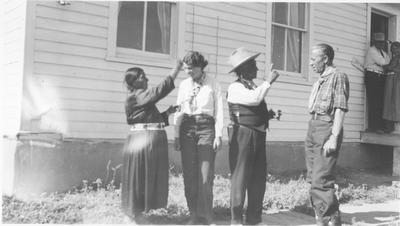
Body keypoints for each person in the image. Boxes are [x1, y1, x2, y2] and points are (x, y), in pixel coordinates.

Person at [121, 61, 182, 223]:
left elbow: (148, 119)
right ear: (133, 83)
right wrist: (175, 70)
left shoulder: (141, 99)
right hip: (143, 140)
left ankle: (138, 212)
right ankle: (131, 215)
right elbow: (158, 92)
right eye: (142, 76)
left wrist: (167, 113)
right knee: (139, 176)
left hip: (148, 139)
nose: (146, 79)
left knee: (144, 175)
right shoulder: (136, 96)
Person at [226, 47, 280, 225]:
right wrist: (269, 81)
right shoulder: (235, 87)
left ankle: (254, 219)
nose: (257, 69)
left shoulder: (252, 86)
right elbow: (254, 99)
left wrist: (269, 115)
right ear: (243, 69)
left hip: (257, 134)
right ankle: (236, 220)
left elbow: (253, 106)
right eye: (254, 65)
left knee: (258, 177)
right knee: (240, 177)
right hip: (242, 135)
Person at [173, 51, 223, 225]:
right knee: (189, 174)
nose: (188, 72)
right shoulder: (184, 85)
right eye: (186, 69)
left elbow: (219, 111)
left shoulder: (213, 84)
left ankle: (206, 215)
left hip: (207, 129)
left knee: (205, 174)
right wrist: (176, 133)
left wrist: (218, 134)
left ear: (200, 67)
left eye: (191, 69)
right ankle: (193, 214)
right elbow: (179, 110)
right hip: (187, 128)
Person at [307, 43, 349, 226]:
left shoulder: (338, 76)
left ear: (325, 59)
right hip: (314, 126)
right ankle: (322, 218)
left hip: (327, 127)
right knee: (312, 177)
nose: (310, 63)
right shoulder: (320, 80)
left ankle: (331, 220)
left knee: (321, 178)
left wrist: (334, 136)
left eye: (313, 59)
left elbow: (340, 108)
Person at [364, 32, 391, 133]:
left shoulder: (383, 52)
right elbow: (384, 63)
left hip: (381, 76)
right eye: (379, 42)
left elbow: (388, 62)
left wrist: (386, 65)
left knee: (380, 102)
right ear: (374, 42)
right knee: (374, 101)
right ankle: (373, 127)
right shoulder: (372, 50)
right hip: (373, 76)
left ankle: (380, 126)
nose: (381, 44)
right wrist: (385, 65)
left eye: (382, 42)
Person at [383, 41, 400, 134]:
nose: (393, 50)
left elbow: (396, 69)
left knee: (395, 102)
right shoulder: (393, 58)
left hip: (396, 81)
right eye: (392, 48)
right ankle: (389, 127)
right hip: (391, 80)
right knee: (389, 102)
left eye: (395, 48)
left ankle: (396, 127)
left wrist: (389, 68)